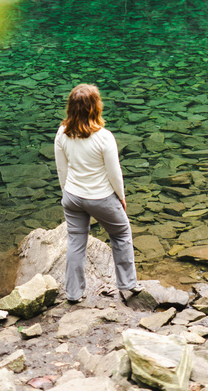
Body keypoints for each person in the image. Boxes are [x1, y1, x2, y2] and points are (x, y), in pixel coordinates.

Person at [54, 83, 142, 303]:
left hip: (73, 197)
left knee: (76, 241)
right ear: (96, 107)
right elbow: (115, 173)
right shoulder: (104, 137)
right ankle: (127, 284)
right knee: (121, 234)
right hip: (101, 197)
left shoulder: (62, 132)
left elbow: (61, 169)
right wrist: (121, 197)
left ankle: (73, 293)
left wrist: (67, 193)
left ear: (71, 108)